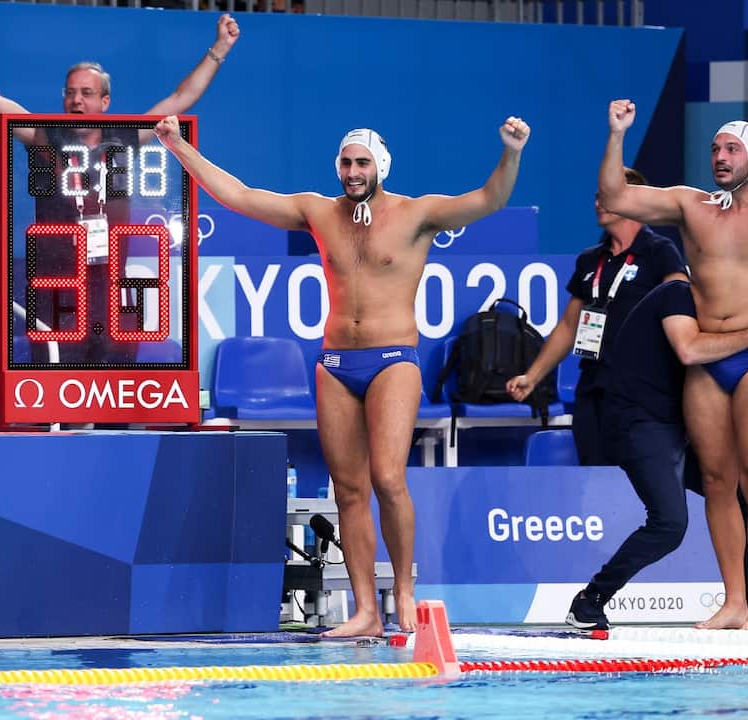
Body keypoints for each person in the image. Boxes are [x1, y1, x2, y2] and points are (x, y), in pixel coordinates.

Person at [154, 114, 531, 637]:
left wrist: (511, 152)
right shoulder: (319, 212)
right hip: (335, 364)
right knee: (348, 490)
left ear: (382, 166)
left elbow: (490, 198)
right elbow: (238, 196)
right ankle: (365, 613)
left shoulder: (416, 214)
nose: (353, 171)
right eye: (346, 162)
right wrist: (177, 147)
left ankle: (402, 591)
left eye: (363, 163)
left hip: (393, 360)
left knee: (388, 479)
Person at [598, 101, 748, 630]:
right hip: (710, 357)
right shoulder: (693, 206)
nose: (719, 157)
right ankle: (733, 600)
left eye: (730, 148)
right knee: (716, 479)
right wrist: (617, 134)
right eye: (714, 149)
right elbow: (617, 196)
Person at [0, 8, 239, 363]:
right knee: (56, 378)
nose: (77, 101)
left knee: (113, 379)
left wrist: (220, 48)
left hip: (110, 283)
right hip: (55, 282)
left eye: (87, 93)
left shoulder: (125, 136)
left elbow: (181, 99)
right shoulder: (44, 136)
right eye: (71, 93)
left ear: (104, 102)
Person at [565, 279, 748, 630]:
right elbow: (690, 351)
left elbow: (724, 361)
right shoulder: (677, 295)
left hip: (676, 424)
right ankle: (590, 599)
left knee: (744, 492)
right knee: (669, 524)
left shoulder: (717, 316)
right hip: (640, 423)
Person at [505, 168, 687, 464]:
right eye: (596, 196)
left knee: (644, 487)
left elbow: (685, 317)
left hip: (645, 394)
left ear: (632, 199)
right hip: (594, 390)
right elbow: (568, 325)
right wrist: (533, 376)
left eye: (606, 195)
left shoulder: (661, 253)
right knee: (595, 478)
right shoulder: (590, 259)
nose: (598, 202)